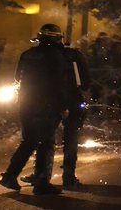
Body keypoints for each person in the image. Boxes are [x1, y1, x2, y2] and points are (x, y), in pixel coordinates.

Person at [0, 24, 70, 195]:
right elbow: (59, 84)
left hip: (25, 104)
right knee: (46, 143)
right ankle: (41, 183)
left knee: (28, 141)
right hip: (47, 106)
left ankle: (10, 176)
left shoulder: (27, 54)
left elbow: (17, 78)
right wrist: (63, 107)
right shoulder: (57, 56)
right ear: (57, 39)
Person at [22, 44, 91, 189]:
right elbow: (86, 83)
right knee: (70, 139)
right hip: (72, 100)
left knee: (46, 139)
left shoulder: (37, 54)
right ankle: (69, 178)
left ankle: (41, 176)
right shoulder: (74, 54)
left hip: (49, 102)